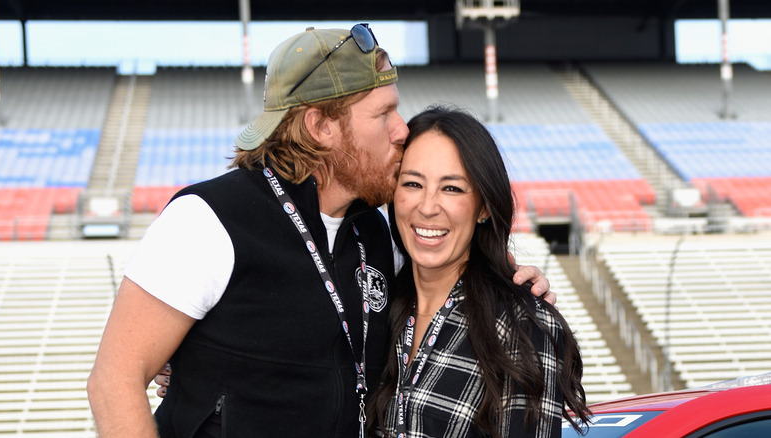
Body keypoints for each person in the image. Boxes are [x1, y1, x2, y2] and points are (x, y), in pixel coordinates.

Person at [87, 25, 553, 438]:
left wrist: (510, 283)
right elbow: (114, 380)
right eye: (384, 113)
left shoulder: (375, 230)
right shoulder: (207, 219)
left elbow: (445, 280)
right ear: (321, 127)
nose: (401, 131)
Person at [367, 106, 590, 438]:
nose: (427, 207)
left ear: (484, 207)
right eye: (412, 183)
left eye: (452, 188)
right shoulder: (375, 309)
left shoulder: (523, 327)